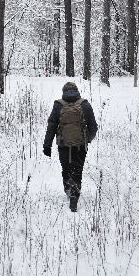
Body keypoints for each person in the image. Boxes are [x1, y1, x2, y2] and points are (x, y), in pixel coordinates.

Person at [43, 82, 98, 212]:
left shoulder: (58, 105)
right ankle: (75, 197)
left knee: (66, 169)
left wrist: (47, 145)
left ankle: (68, 191)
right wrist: (87, 140)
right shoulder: (84, 104)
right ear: (77, 91)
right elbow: (93, 127)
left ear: (64, 91)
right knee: (77, 170)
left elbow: (52, 125)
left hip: (63, 145)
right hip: (80, 145)